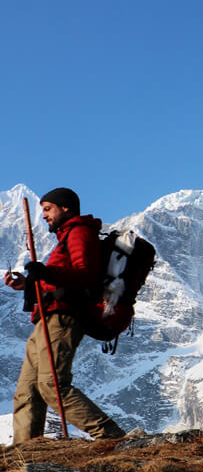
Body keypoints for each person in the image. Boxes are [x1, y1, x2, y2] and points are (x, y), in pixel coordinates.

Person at [4, 188, 125, 443]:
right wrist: (28, 283)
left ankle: (111, 435)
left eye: (48, 209)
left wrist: (46, 273)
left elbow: (86, 275)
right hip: (46, 318)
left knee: (51, 384)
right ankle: (26, 451)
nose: (44, 215)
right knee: (27, 390)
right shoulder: (67, 236)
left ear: (66, 207)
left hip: (62, 318)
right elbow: (60, 280)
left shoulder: (80, 232)